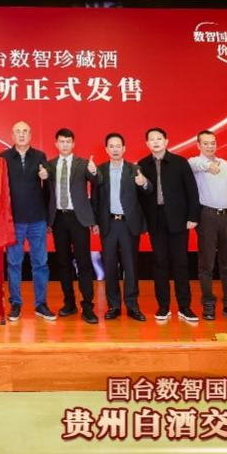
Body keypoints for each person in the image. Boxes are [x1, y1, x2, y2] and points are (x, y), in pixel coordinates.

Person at [137, 127, 201, 324]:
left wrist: (193, 216)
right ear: (147, 144)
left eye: (159, 139)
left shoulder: (180, 162)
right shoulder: (142, 165)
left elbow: (192, 191)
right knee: (160, 263)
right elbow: (139, 198)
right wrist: (143, 223)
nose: (156, 142)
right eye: (152, 139)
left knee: (180, 263)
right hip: (155, 219)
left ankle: (184, 307)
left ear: (166, 141)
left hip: (178, 219)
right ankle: (163, 306)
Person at [0, 121, 53, 322]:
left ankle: (41, 304)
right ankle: (16, 303)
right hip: (14, 220)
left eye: (25, 132)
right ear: (12, 135)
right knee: (14, 264)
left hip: (37, 219)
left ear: (30, 135)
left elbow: (48, 188)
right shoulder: (3, 157)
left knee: (40, 264)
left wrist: (46, 176)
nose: (21, 135)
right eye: (18, 132)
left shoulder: (40, 156)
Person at [45, 128, 100, 325]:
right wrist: (48, 220)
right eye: (62, 141)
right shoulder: (49, 165)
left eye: (68, 141)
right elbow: (45, 195)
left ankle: (88, 305)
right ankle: (69, 303)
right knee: (63, 263)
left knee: (84, 263)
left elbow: (98, 182)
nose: (65, 145)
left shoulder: (83, 164)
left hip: (79, 219)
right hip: (59, 219)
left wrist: (94, 172)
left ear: (73, 144)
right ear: (56, 144)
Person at [188, 130, 227, 322]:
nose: (210, 146)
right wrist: (208, 165)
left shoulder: (225, 164)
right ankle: (208, 303)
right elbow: (193, 164)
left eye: (213, 142)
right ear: (198, 145)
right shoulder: (195, 163)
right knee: (206, 264)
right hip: (207, 217)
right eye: (205, 143)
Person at [94, 132, 151, 321]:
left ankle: (132, 306)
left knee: (130, 266)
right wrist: (95, 222)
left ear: (124, 148)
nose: (115, 149)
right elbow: (95, 199)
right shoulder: (100, 170)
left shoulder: (135, 169)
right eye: (111, 146)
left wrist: (144, 183)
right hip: (108, 223)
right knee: (110, 266)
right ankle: (114, 306)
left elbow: (148, 191)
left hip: (128, 224)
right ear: (106, 149)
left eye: (118, 146)